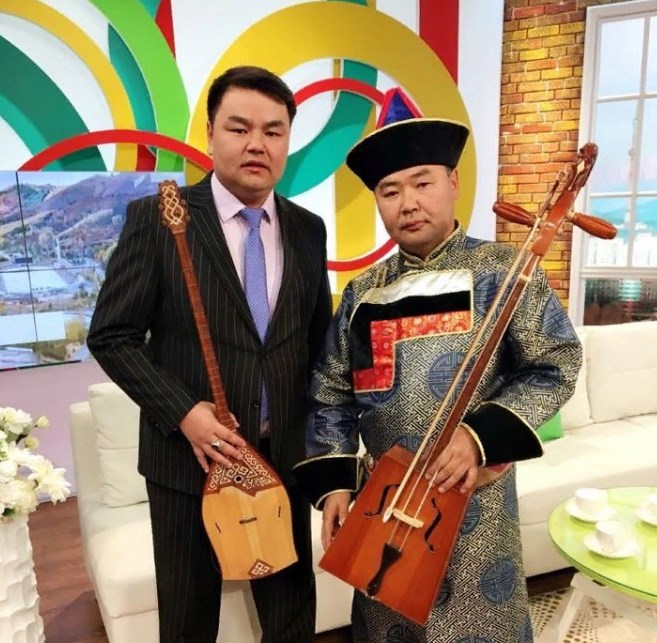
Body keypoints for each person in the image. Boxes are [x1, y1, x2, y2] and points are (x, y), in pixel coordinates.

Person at [294, 88, 582, 642]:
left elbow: (554, 364)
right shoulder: (362, 293)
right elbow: (331, 393)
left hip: (476, 497)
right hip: (386, 504)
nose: (407, 203)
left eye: (422, 183)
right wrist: (335, 486)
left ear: (453, 182)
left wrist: (480, 437)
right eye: (390, 190)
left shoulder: (505, 270)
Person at [87, 66, 332, 643]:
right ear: (211, 133)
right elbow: (112, 335)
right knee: (188, 620)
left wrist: (330, 450)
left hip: (282, 460)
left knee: (291, 616)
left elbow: (318, 343)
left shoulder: (307, 229)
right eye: (239, 128)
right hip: (188, 464)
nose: (256, 144)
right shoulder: (159, 219)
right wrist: (184, 413)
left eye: (273, 131)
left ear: (287, 141)